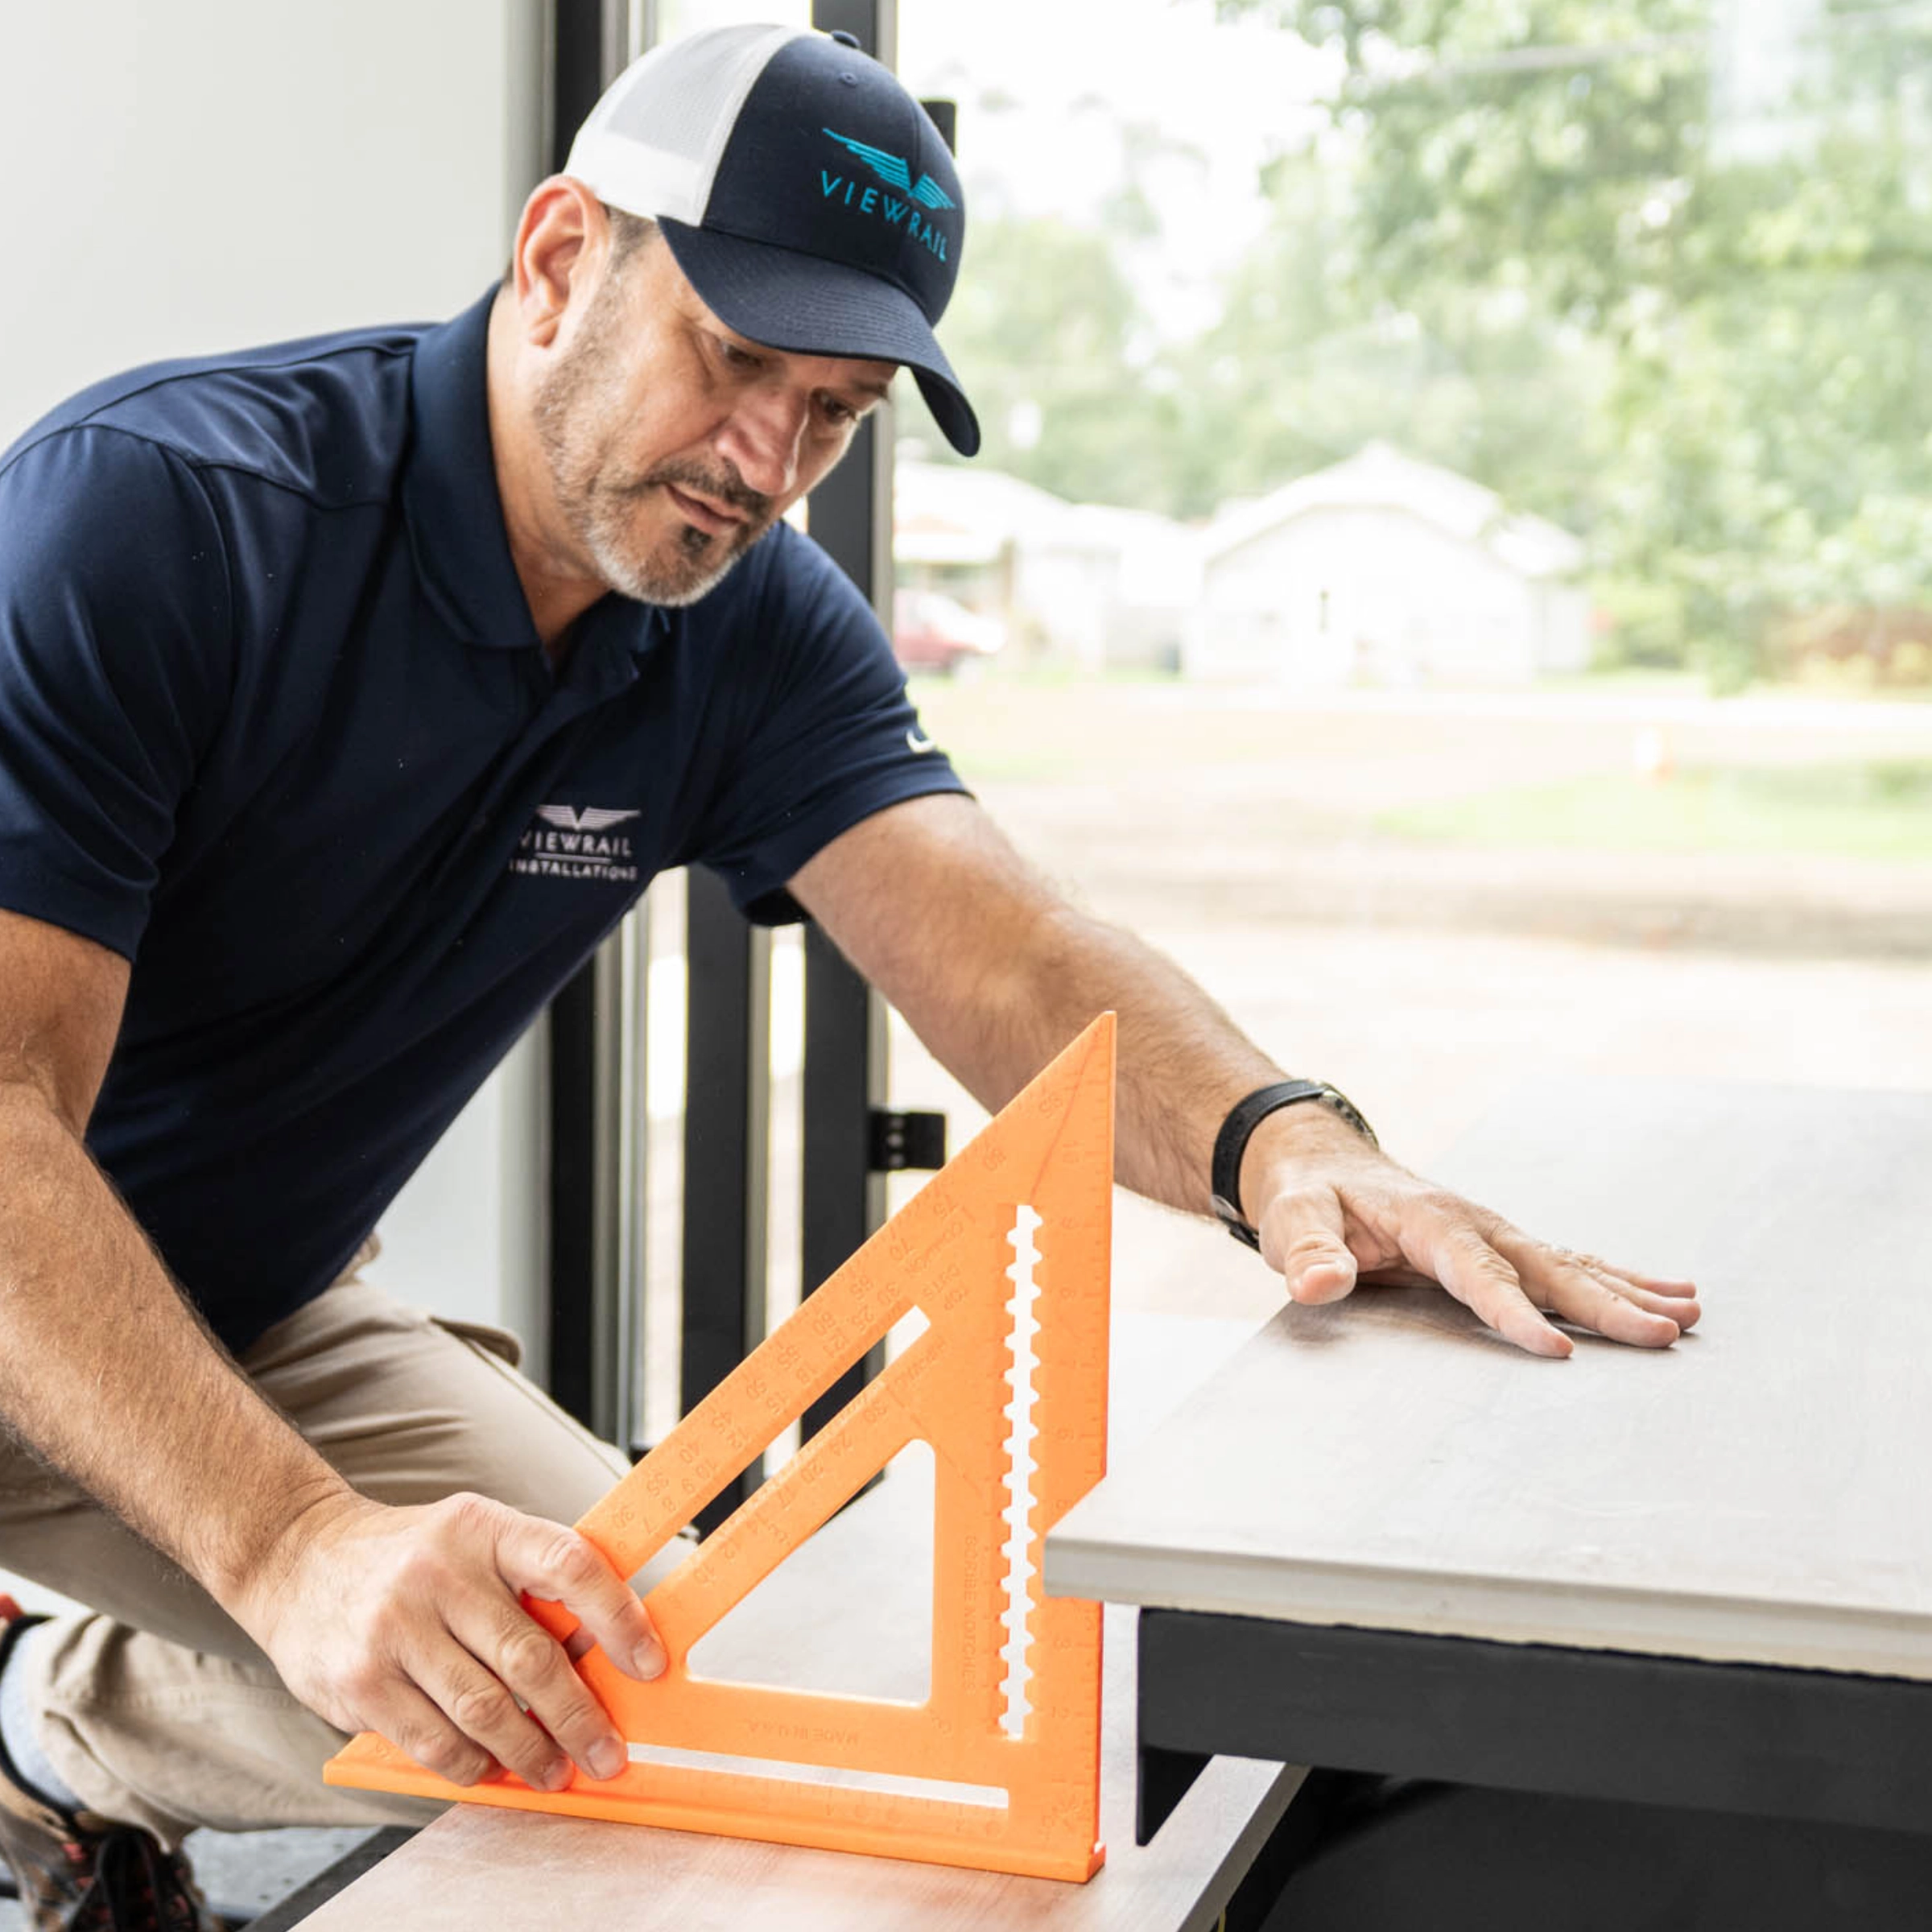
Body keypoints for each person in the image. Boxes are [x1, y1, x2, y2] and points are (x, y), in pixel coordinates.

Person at [0, 22, 1700, 1926]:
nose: (762, 461)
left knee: (659, 1689)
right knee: (397, 1627)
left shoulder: (739, 630)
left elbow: (1003, 944)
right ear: (562, 258)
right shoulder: (160, 514)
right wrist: (297, 1542)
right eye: (733, 361)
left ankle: (51, 1734)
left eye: (832, 412)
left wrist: (1280, 1142)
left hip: (244, 1311)